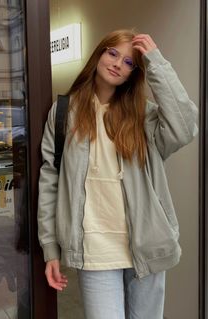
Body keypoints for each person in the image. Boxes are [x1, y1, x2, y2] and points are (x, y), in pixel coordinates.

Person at [37, 29, 198, 319]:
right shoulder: (63, 112)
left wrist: (156, 62)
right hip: (95, 248)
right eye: (112, 53)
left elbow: (185, 127)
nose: (117, 64)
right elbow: (50, 181)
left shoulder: (144, 116)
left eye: (128, 62)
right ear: (99, 53)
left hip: (146, 245)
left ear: (134, 73)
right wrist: (50, 249)